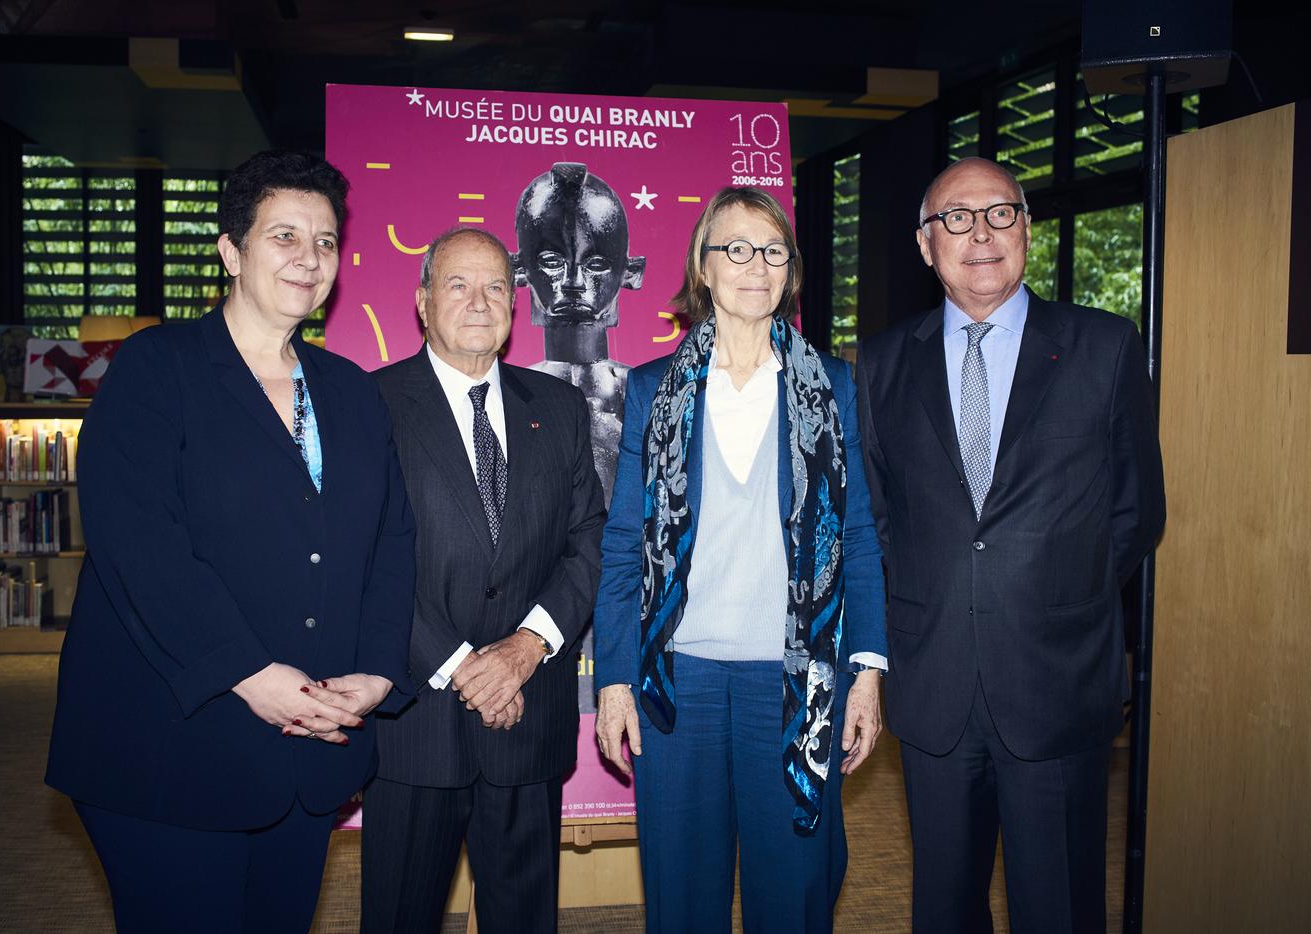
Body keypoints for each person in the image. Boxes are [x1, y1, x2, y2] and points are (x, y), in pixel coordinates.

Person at [45, 150, 416, 934]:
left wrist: (379, 671)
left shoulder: (349, 389)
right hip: (170, 746)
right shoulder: (158, 367)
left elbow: (391, 542)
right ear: (230, 250)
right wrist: (246, 673)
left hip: (307, 750)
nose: (309, 258)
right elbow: (138, 543)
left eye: (323, 241)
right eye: (285, 235)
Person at [854, 157, 1166, 933]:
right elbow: (877, 515)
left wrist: (1057, 591)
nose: (980, 233)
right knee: (945, 906)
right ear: (926, 245)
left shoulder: (1104, 346)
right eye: (956, 218)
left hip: (1058, 678)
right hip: (936, 683)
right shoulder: (884, 362)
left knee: (1058, 904)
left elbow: (1136, 511)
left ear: (1027, 230)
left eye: (1000, 214)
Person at [593, 187, 888, 934]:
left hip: (795, 682)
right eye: (735, 248)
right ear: (704, 264)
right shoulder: (654, 391)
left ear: (790, 271)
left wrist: (867, 672)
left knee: (792, 893)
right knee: (682, 896)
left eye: (773, 250)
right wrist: (616, 679)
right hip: (678, 684)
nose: (755, 265)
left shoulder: (834, 387)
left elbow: (856, 537)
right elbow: (625, 544)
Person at [361, 227, 605, 934]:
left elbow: (587, 540)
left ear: (515, 303)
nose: (479, 301)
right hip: (416, 725)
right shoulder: (370, 406)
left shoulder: (558, 409)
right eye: (458, 285)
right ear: (422, 302)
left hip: (528, 719)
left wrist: (527, 648)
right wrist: (463, 667)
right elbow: (364, 559)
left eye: (496, 285)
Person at [512, 161, 646, 505]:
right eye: (553, 261)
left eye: (596, 264)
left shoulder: (649, 395)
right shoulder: (504, 397)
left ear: (630, 273)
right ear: (520, 269)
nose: (574, 282)